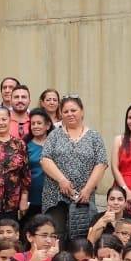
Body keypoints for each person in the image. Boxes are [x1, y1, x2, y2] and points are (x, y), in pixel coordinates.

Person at [38, 97, 108, 243]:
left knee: (81, 238)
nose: (70, 114)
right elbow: (45, 160)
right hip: (56, 197)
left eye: (73, 110)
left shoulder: (94, 137)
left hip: (83, 197)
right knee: (55, 236)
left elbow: (101, 163)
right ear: (61, 114)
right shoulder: (54, 135)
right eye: (66, 111)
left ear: (82, 111)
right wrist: (62, 180)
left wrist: (88, 189)